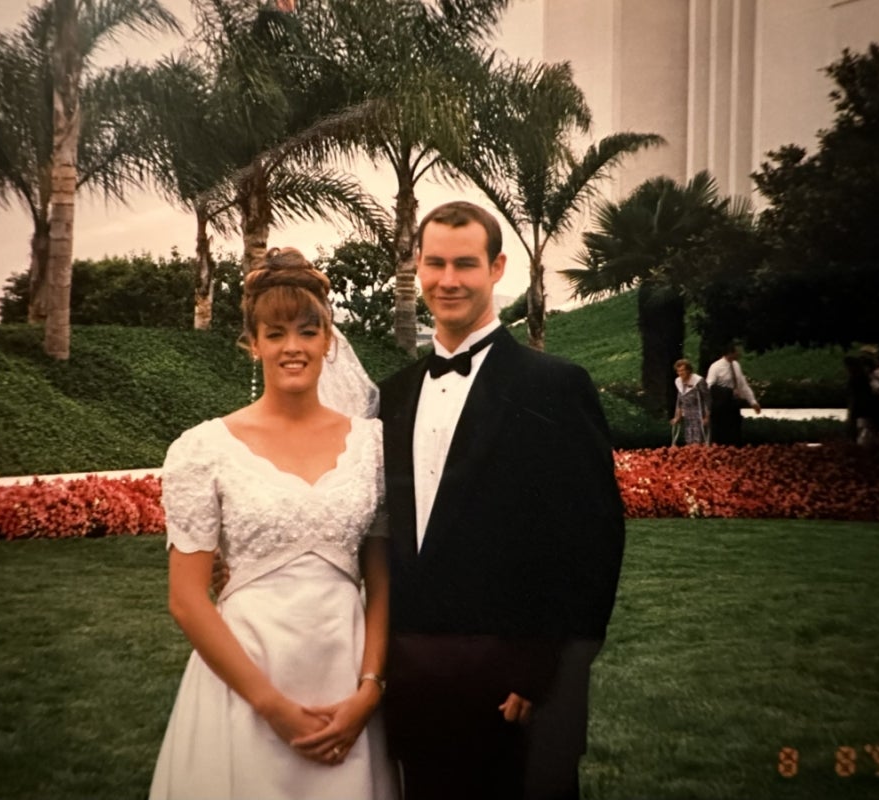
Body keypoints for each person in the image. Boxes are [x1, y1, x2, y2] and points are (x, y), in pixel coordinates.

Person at [377, 201, 627, 800]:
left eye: (466, 263)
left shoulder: (555, 385)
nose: (448, 279)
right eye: (434, 263)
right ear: (417, 267)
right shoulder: (392, 396)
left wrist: (538, 672)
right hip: (416, 683)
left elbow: (590, 544)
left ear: (497, 268)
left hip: (516, 689)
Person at [149, 248, 399, 800]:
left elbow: (382, 582)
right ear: (253, 342)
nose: (293, 347)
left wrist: (369, 690)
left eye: (308, 332)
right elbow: (187, 600)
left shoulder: (371, 447)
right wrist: (270, 705)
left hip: (345, 671)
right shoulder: (202, 449)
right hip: (245, 681)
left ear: (328, 341)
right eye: (276, 332)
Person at [705, 341, 761, 446]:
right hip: (720, 406)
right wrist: (727, 392)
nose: (739, 353)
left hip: (733, 405)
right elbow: (709, 386)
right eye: (737, 351)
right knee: (721, 435)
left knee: (735, 433)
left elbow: (742, 384)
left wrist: (752, 401)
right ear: (730, 353)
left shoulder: (736, 365)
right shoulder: (716, 367)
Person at [670, 358, 710, 445]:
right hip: (687, 415)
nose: (680, 373)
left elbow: (707, 399)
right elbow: (680, 401)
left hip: (699, 414)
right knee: (689, 440)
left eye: (683, 370)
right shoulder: (678, 381)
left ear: (688, 370)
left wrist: (707, 417)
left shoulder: (699, 381)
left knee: (700, 440)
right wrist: (677, 417)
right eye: (678, 371)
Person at [843, 352, 879, 445]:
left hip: (861, 410)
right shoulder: (863, 377)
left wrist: (851, 411)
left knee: (863, 433)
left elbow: (855, 397)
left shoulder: (857, 378)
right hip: (862, 410)